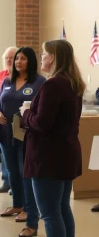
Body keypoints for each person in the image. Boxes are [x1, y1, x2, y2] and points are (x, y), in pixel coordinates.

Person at [20, 40, 84, 237]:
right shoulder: (73, 83)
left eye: (43, 54)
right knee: (62, 208)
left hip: (47, 159)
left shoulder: (53, 85)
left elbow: (42, 123)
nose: (41, 58)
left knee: (49, 213)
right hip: (65, 153)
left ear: (53, 58)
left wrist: (26, 112)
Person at [0, 47, 46, 236]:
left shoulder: (39, 82)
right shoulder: (7, 80)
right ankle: (16, 204)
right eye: (17, 59)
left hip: (25, 133)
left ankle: (29, 210)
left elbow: (42, 106)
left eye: (22, 59)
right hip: (6, 132)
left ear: (31, 61)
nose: (18, 62)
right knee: (12, 171)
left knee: (25, 173)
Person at [0, 46, 18, 194]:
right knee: (5, 154)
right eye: (6, 57)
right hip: (1, 122)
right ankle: (6, 182)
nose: (9, 60)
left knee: (17, 157)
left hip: (18, 123)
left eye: (12, 57)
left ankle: (17, 186)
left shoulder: (24, 77)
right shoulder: (0, 75)